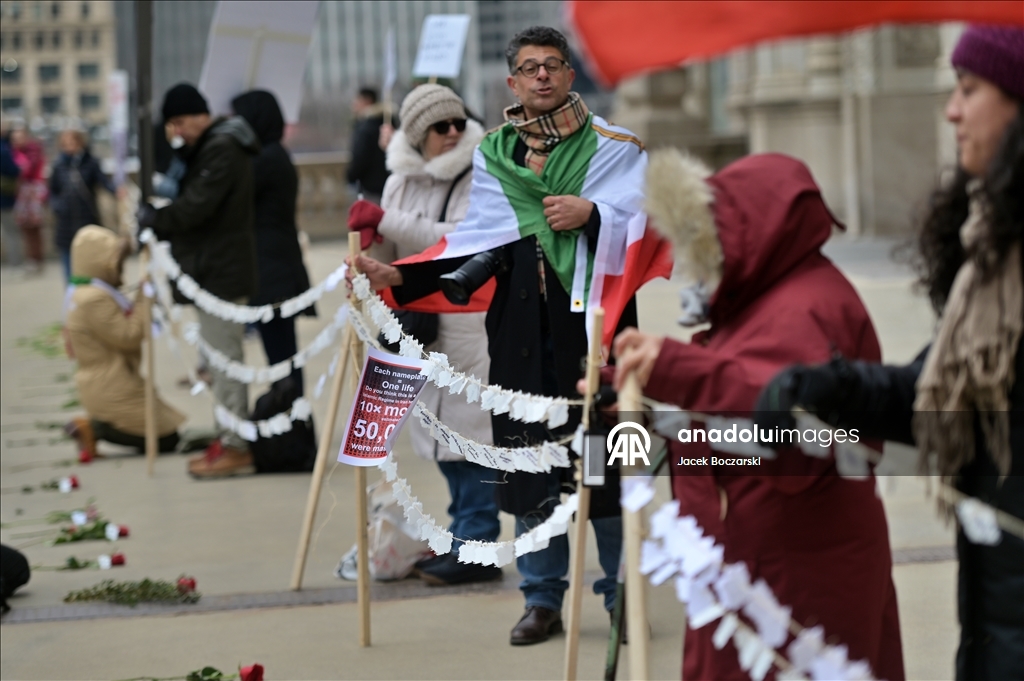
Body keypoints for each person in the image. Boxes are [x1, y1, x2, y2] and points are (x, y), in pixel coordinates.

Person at [349, 26, 671, 645]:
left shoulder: (616, 148)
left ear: (571, 76)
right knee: (529, 474)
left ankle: (620, 596)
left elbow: (646, 225)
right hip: (521, 339)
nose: (543, 75)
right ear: (513, 83)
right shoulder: (495, 155)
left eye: (554, 65)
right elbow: (476, 243)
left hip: (596, 338)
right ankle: (541, 598)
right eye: (530, 67)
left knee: (607, 472)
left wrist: (593, 214)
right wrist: (402, 277)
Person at [755, 24, 1023, 681]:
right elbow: (934, 395)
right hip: (997, 620)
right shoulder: (994, 254)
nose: (951, 109)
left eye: (968, 89)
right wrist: (829, 386)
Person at [605, 151, 905, 680]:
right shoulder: (766, 296)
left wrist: (677, 372)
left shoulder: (802, 308)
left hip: (792, 570)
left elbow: (798, 442)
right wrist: (637, 398)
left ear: (753, 231)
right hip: (756, 560)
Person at [347, 84, 500, 585]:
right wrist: (364, 266)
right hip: (413, 318)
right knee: (433, 435)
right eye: (440, 126)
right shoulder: (399, 179)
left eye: (457, 122)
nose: (453, 132)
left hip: (463, 318)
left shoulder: (479, 173)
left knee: (468, 433)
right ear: (417, 135)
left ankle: (476, 543)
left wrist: (384, 219)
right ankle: (462, 537)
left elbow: (456, 240)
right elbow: (392, 250)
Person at [138, 83, 260, 479]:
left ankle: (236, 445)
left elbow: (195, 208)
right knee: (219, 360)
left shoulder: (222, 149)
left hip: (220, 270)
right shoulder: (210, 147)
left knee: (225, 362)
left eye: (178, 123)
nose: (176, 132)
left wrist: (158, 219)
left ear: (195, 116)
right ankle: (227, 437)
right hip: (213, 268)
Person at [63, 225, 185, 458]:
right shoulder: (93, 298)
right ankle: (94, 428)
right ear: (99, 262)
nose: (120, 267)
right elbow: (127, 336)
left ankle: (97, 426)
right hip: (110, 385)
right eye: (116, 261)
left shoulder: (86, 292)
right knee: (168, 439)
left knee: (168, 430)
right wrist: (143, 299)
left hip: (111, 380)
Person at [230, 89, 315, 396]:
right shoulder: (272, 153)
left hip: (273, 268)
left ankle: (293, 426)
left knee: (282, 355)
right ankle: (293, 422)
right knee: (282, 352)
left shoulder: (265, 158)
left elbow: (233, 195)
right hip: (276, 264)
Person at [49, 128, 118, 281]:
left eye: (73, 143)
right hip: (66, 221)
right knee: (68, 265)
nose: (70, 147)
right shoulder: (59, 165)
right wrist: (58, 207)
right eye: (66, 144)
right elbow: (53, 190)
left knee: (90, 262)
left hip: (86, 217)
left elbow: (103, 182)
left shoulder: (90, 163)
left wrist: (116, 190)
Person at [11, 128, 47, 274]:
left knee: (34, 228)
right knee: (26, 229)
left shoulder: (32, 152)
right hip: (24, 194)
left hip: (32, 193)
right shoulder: (16, 152)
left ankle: (37, 259)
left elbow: (27, 171)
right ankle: (32, 259)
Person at [346, 87, 390, 204]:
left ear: (367, 101)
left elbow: (360, 157)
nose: (354, 104)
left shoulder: (366, 127)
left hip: (371, 187)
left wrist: (351, 176)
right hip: (384, 184)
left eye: (357, 100)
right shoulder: (385, 121)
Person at [0, 128, 21, 268]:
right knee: (12, 233)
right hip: (5, 198)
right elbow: (14, 170)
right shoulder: (4, 150)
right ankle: (15, 264)